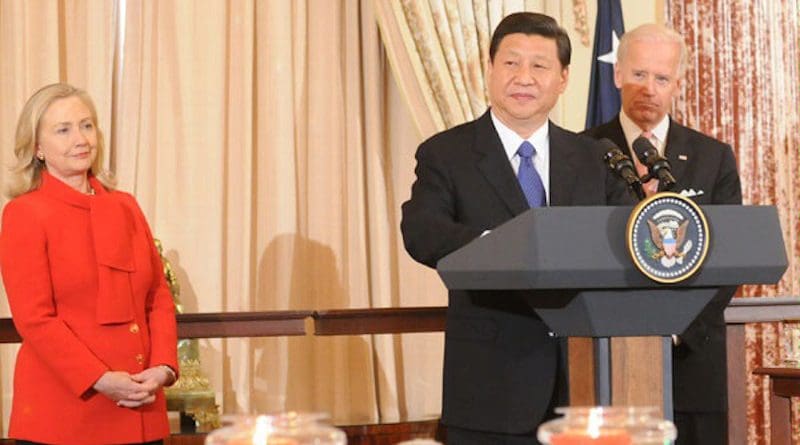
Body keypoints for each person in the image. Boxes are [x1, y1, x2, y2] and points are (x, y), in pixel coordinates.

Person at [401, 13, 633, 444]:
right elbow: (422, 232)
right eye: (510, 64)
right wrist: (500, 247)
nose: (523, 77)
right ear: (488, 71)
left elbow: (623, 237)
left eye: (540, 66)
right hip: (492, 384)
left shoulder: (594, 157)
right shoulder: (446, 153)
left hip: (588, 382)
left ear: (563, 79)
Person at [583, 24, 742, 445]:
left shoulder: (713, 157)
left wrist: (675, 326)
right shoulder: (580, 152)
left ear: (677, 84)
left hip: (692, 361)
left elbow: (730, 259)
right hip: (604, 359)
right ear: (617, 74)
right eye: (638, 74)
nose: (648, 88)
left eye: (661, 78)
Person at [0, 83, 179, 445]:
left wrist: (163, 368)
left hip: (141, 407)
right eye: (63, 130)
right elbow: (35, 319)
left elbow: (157, 296)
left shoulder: (125, 206)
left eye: (86, 125)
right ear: (37, 148)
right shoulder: (24, 213)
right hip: (65, 416)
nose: (80, 139)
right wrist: (100, 378)